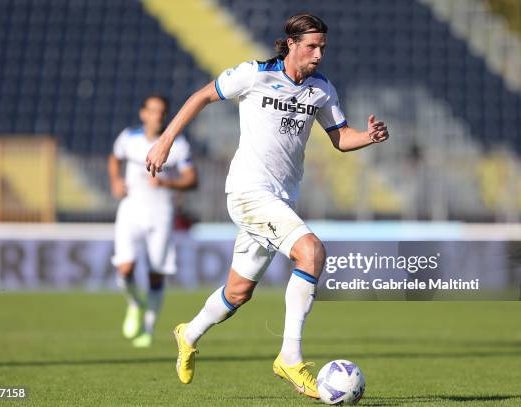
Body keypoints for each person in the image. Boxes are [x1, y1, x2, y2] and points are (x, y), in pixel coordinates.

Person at [145, 14, 389, 398]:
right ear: (290, 44)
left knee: (238, 293)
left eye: (323, 47)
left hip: (280, 199)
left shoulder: (322, 89)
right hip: (247, 193)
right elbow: (201, 96)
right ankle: (290, 358)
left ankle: (187, 334)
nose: (318, 54)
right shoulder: (254, 74)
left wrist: (368, 137)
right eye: (311, 46)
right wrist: (165, 142)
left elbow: (340, 138)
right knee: (311, 252)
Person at [109, 94, 197, 348]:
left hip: (160, 212)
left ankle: (147, 328)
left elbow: (192, 179)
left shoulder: (178, 144)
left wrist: (167, 182)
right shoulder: (128, 138)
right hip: (131, 208)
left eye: (161, 111)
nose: (157, 115)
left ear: (166, 115)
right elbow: (114, 158)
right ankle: (135, 303)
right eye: (152, 110)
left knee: (156, 273)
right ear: (143, 113)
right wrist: (116, 180)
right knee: (124, 268)